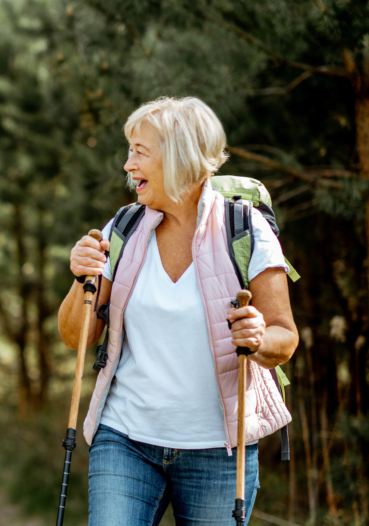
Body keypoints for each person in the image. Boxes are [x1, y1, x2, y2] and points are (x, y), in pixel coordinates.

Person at [58, 97, 298, 525]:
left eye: (140, 152)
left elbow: (285, 337)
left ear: (180, 157)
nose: (128, 165)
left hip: (218, 451)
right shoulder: (124, 229)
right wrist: (82, 280)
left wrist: (259, 338)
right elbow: (78, 337)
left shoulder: (245, 229)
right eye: (129, 150)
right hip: (125, 439)